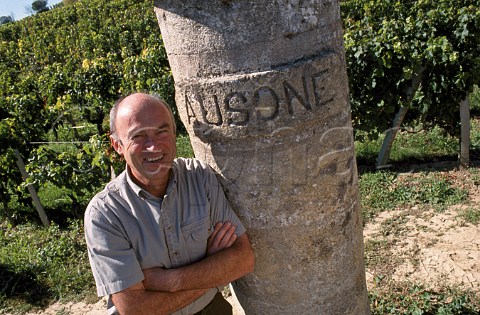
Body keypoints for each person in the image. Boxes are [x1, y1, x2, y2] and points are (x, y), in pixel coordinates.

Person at [84, 93, 255, 315]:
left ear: (174, 134)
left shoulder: (199, 177)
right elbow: (135, 309)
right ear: (117, 145)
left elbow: (242, 259)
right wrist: (212, 269)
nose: (153, 146)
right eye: (138, 136)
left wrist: (169, 281)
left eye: (161, 131)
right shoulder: (105, 214)